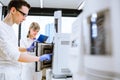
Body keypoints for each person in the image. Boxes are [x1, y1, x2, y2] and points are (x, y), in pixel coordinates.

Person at [0, 0, 51, 80]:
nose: (24, 19)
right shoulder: (1, 29)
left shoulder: (10, 29)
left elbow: (14, 49)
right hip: (6, 74)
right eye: (23, 14)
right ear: (13, 10)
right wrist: (39, 58)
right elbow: (15, 55)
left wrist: (27, 49)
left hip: (14, 72)